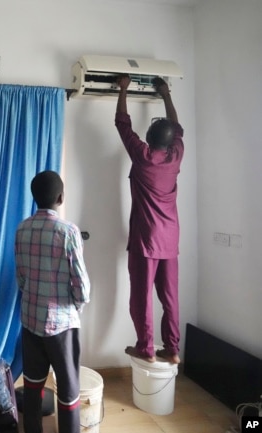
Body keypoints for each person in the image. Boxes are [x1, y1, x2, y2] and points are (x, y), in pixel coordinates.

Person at [15, 170, 91, 433]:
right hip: (62, 325)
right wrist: (76, 307)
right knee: (69, 390)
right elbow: (81, 287)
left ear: (34, 197)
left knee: (33, 386)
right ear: (60, 197)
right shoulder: (68, 231)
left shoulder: (21, 229)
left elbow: (21, 277)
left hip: (30, 320)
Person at [115, 75, 184, 365]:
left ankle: (146, 347)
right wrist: (166, 94)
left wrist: (123, 88)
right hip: (170, 238)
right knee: (170, 297)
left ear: (150, 138)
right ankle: (173, 348)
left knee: (141, 297)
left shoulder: (142, 156)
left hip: (146, 239)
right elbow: (177, 126)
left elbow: (122, 124)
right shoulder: (176, 155)